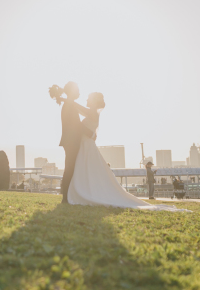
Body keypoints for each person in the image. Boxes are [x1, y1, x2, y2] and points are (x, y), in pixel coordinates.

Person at [53, 89, 188, 212]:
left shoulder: (92, 112)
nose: (86, 100)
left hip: (86, 146)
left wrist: (65, 99)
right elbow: (80, 113)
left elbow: (80, 117)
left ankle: (83, 192)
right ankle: (82, 191)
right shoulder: (92, 112)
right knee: (86, 171)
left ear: (93, 101)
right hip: (85, 146)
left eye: (88, 98)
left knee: (86, 170)